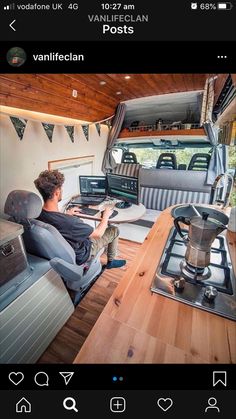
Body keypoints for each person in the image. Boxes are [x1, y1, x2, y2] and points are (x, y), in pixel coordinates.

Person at [34, 170, 126, 269]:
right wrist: (106, 216)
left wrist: (66, 214)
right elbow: (98, 234)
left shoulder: (38, 214)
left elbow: (56, 220)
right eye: (61, 188)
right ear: (57, 192)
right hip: (82, 253)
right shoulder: (71, 222)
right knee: (114, 229)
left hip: (64, 250)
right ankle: (111, 262)